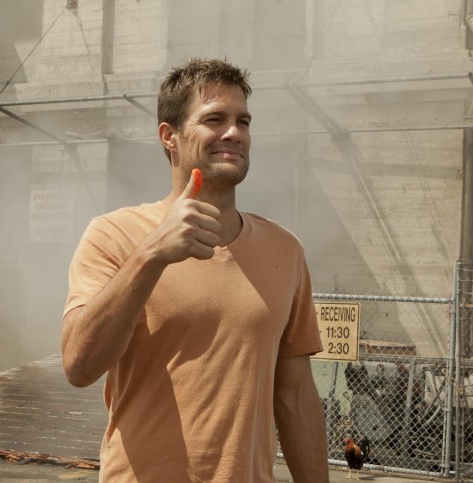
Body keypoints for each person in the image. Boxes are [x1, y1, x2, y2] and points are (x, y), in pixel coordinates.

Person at [61, 58, 329, 483]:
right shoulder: (114, 235)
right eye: (214, 119)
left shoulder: (286, 250)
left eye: (243, 121)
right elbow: (79, 366)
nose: (234, 133)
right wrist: (151, 254)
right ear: (170, 136)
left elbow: (295, 397)